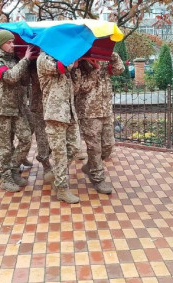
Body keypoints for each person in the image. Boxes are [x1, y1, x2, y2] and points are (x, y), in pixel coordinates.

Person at [0, 30, 34, 192]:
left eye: (13, 42)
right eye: (9, 42)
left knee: (26, 138)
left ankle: (14, 169)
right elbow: (10, 77)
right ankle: (6, 178)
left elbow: (23, 81)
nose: (12, 45)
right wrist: (25, 60)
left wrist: (25, 63)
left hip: (17, 106)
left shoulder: (13, 58)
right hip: (1, 108)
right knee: (5, 146)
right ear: (1, 44)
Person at [73, 52, 125, 194]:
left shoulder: (104, 58)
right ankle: (98, 179)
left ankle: (90, 165)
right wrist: (94, 69)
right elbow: (80, 88)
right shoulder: (81, 62)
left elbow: (119, 70)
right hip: (88, 111)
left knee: (108, 146)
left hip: (105, 109)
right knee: (94, 148)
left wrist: (112, 55)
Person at [37, 52, 81, 204]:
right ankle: (62, 188)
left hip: (69, 113)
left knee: (75, 147)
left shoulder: (62, 59)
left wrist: (76, 69)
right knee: (59, 152)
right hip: (54, 114)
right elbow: (60, 68)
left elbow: (75, 89)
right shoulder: (44, 59)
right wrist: (71, 59)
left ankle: (56, 173)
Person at [28, 61, 53, 180]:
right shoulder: (34, 64)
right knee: (42, 137)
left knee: (55, 139)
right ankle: (46, 164)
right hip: (39, 105)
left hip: (55, 106)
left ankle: (45, 156)